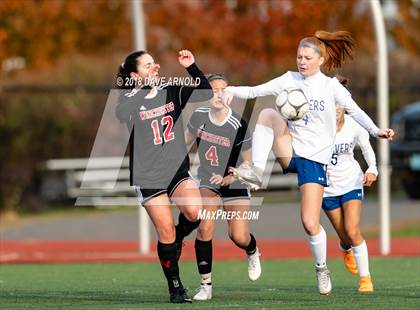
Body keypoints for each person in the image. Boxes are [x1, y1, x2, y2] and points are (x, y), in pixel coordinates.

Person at [222, 30, 394, 295]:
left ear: (320, 60)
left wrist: (375, 131)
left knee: (310, 223)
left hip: (315, 159)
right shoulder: (289, 79)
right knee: (267, 113)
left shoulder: (330, 86)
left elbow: (355, 110)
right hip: (291, 149)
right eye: (299, 56)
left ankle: (321, 268)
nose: (301, 61)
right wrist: (230, 90)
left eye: (307, 57)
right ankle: (257, 170)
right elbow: (256, 90)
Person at [115, 50, 213, 303]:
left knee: (194, 212)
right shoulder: (129, 97)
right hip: (148, 176)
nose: (155, 67)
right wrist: (142, 88)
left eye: (154, 62)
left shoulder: (170, 88)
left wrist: (191, 67)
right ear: (135, 74)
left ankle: (181, 236)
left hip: (177, 170)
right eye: (148, 65)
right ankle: (176, 287)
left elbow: (206, 92)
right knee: (165, 230)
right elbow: (121, 114)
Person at [184, 74, 261, 301]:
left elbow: (249, 164)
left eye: (222, 90)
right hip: (208, 179)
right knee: (204, 227)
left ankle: (252, 250)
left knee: (238, 236)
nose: (217, 94)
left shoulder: (238, 124)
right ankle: (205, 286)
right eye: (213, 90)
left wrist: (229, 178)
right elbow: (183, 144)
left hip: (235, 180)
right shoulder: (199, 116)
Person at [323, 76, 377, 293]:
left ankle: (366, 279)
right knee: (345, 235)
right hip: (326, 188)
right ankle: (345, 247)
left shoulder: (354, 125)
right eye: (330, 102)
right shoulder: (316, 127)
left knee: (353, 230)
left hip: (351, 182)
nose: (335, 107)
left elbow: (366, 148)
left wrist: (372, 168)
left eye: (339, 103)